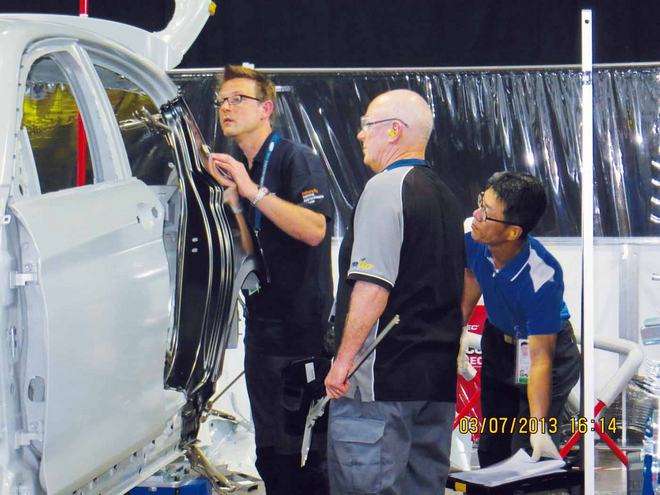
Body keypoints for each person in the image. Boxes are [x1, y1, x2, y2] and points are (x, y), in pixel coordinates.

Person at [324, 89, 465, 494]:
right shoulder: (444, 196)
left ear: (394, 131)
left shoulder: (386, 188)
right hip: (433, 385)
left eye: (367, 125)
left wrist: (343, 362)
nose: (359, 135)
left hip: (380, 384)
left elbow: (372, 285)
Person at [205, 65, 332, 495]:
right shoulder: (246, 167)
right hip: (263, 331)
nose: (227, 107)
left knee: (304, 456)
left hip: (301, 335)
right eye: (222, 100)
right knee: (270, 454)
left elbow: (315, 229)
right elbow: (252, 250)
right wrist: (235, 204)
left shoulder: (294, 159)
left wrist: (252, 191)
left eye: (238, 99)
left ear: (266, 108)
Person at [460, 171, 581, 467]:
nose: (476, 215)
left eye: (486, 212)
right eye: (481, 203)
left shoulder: (542, 277)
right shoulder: (477, 238)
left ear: (513, 232)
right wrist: (458, 328)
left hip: (544, 354)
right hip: (499, 343)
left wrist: (538, 427)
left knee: (526, 452)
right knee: (492, 446)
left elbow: (539, 361)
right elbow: (472, 274)